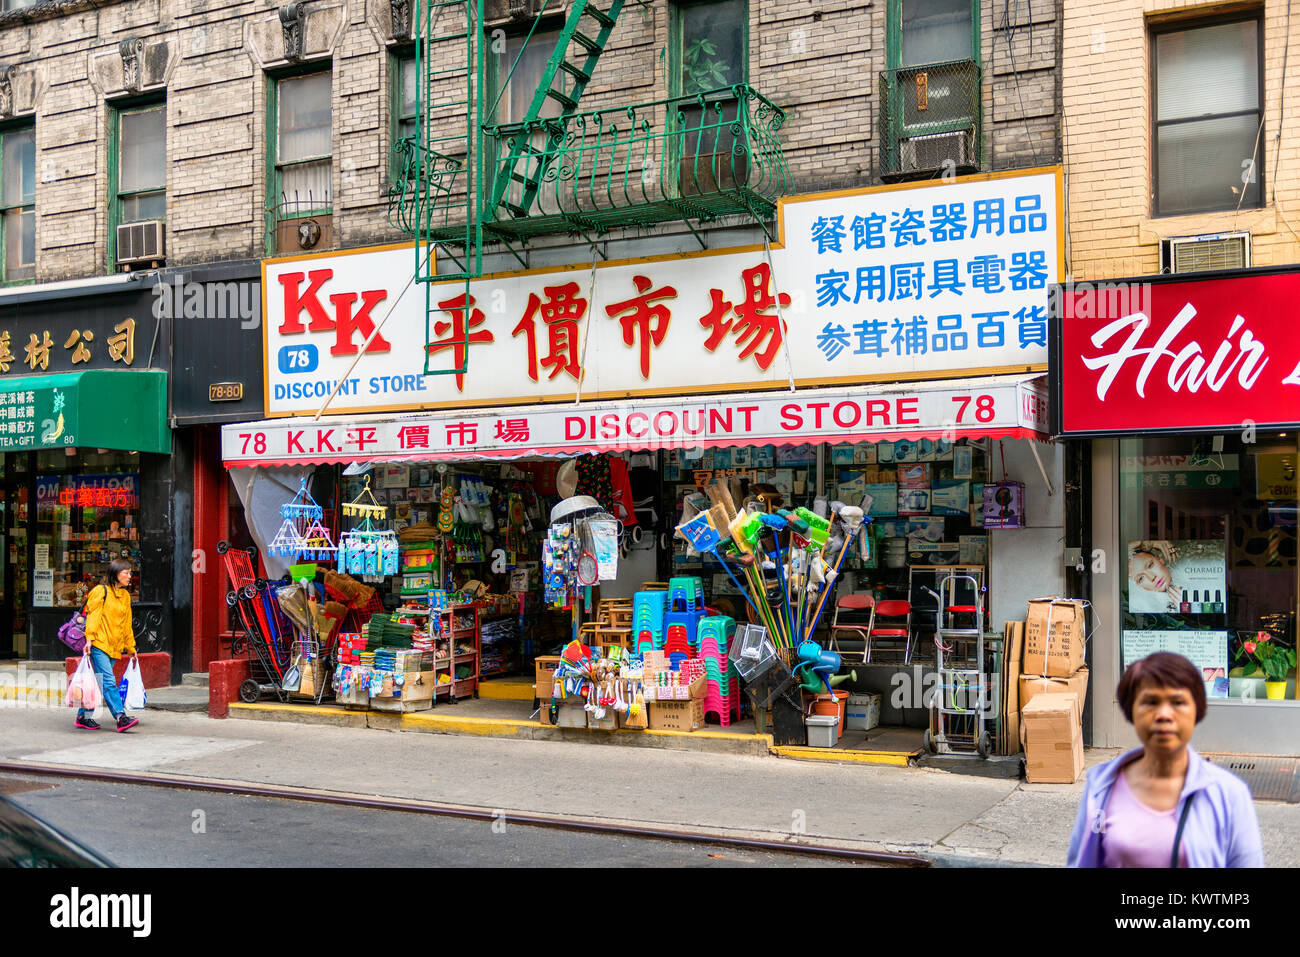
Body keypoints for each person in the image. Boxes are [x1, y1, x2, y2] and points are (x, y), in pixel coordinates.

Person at [1068, 652, 1263, 867]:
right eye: (1150, 702)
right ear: (1130, 709)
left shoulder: (1229, 794)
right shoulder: (1102, 786)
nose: (1163, 714)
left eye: (1178, 702)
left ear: (1197, 709)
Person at [74, 558, 139, 733]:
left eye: (130, 573)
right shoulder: (100, 591)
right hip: (99, 644)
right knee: (109, 682)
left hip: (114, 646)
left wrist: (131, 648)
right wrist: (89, 639)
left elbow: (127, 624)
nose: (129, 576)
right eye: (126, 573)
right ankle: (120, 717)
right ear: (115, 574)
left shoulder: (125, 596)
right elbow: (93, 617)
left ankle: (83, 717)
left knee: (98, 682)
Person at [1127, 541, 1182, 612]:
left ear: (1160, 560)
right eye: (1141, 578)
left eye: (1150, 565)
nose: (1152, 577)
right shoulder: (1146, 610)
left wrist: (1147, 543)